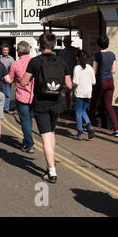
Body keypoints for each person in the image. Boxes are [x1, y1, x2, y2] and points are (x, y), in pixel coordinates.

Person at [21, 33, 72, 183]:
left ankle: (51, 171)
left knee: (45, 137)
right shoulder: (62, 62)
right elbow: (69, 85)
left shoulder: (35, 62)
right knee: (51, 133)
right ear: (54, 45)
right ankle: (51, 163)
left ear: (39, 45)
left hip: (40, 103)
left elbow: (24, 82)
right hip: (57, 102)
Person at [88, 36, 118, 137]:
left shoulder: (97, 55)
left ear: (98, 44)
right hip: (110, 82)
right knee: (109, 106)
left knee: (93, 105)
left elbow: (94, 72)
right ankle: (116, 128)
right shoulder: (112, 55)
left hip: (100, 82)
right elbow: (113, 70)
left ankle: (89, 126)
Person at [9, 41, 35, 153]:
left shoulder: (15, 64)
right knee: (29, 120)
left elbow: (10, 79)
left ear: (18, 51)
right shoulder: (35, 62)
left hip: (21, 96)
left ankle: (30, 145)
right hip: (34, 96)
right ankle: (26, 140)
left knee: (25, 121)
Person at [72, 50, 96, 140]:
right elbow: (94, 82)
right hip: (88, 93)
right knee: (83, 110)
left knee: (78, 112)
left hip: (80, 92)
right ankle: (89, 125)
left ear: (78, 58)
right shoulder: (90, 68)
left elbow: (75, 82)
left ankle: (79, 132)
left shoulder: (77, 68)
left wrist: (71, 84)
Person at [59, 36, 78, 113]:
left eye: (67, 42)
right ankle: (68, 108)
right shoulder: (62, 52)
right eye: (65, 42)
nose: (66, 43)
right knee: (67, 93)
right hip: (66, 74)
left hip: (74, 73)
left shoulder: (75, 50)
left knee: (74, 92)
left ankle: (73, 108)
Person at [0, 45, 15, 113]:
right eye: (4, 50)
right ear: (2, 50)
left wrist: (12, 78)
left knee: (7, 93)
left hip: (8, 77)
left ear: (8, 51)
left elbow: (13, 69)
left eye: (6, 50)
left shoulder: (11, 59)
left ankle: (6, 107)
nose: (5, 51)